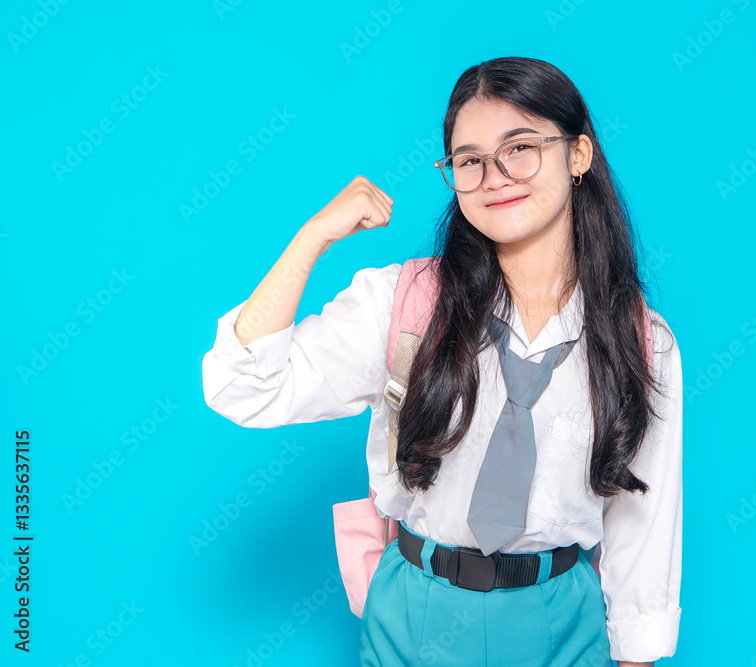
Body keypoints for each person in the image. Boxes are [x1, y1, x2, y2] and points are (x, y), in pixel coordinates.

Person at [202, 56, 682, 667]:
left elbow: (644, 527)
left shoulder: (640, 338)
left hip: (563, 622)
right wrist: (312, 238)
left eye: (521, 147)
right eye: (470, 160)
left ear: (579, 155)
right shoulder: (402, 306)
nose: (495, 177)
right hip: (414, 613)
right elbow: (242, 387)